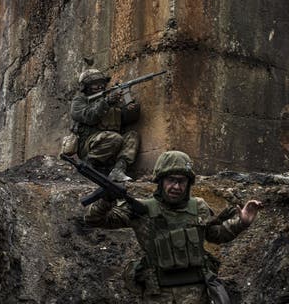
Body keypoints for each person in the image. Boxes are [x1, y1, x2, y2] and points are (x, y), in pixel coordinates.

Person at [84, 150, 263, 303]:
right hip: (158, 295)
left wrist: (242, 222)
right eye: (171, 180)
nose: (176, 186)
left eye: (182, 181)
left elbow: (214, 235)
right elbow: (95, 220)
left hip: (196, 294)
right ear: (160, 181)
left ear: (188, 183)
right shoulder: (142, 209)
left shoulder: (198, 206)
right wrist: (106, 200)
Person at [70, 68, 140, 182]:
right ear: (85, 87)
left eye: (102, 83)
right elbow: (88, 116)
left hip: (112, 142)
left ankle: (118, 170)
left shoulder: (110, 99)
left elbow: (126, 119)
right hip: (89, 144)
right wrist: (106, 102)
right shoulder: (80, 101)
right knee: (114, 137)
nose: (100, 86)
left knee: (132, 136)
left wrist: (130, 108)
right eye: (95, 84)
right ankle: (89, 165)